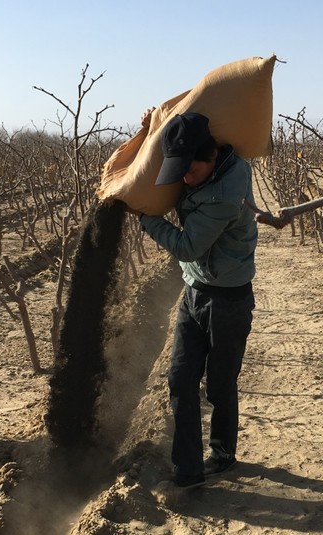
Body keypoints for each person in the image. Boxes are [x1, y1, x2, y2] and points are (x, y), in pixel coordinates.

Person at [134, 110, 258, 489]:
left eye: (191, 170)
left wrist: (147, 219)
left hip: (228, 300)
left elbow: (188, 247)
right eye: (180, 171)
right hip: (195, 291)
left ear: (212, 156)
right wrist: (151, 128)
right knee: (180, 378)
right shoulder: (204, 165)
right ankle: (187, 470)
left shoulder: (224, 195)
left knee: (219, 384)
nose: (185, 178)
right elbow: (180, 126)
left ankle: (222, 453)